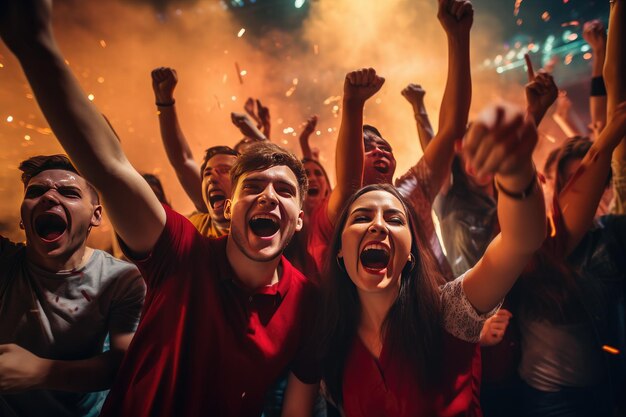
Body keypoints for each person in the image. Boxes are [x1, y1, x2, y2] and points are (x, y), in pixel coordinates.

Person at [0, 2, 322, 415]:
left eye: (285, 191)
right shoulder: (181, 252)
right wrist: (36, 45)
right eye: (253, 186)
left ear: (298, 219)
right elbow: (110, 168)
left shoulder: (308, 302)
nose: (269, 197)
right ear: (229, 205)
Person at [317, 102, 546, 416]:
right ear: (340, 248)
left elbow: (520, 243)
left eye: (395, 220)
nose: (378, 225)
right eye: (362, 217)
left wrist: (517, 173)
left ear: (411, 251)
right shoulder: (332, 341)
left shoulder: (449, 313)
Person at [308, 0, 474, 283]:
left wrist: (458, 37)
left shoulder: (412, 189)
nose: (379, 149)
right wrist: (353, 105)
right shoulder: (340, 208)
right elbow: (350, 186)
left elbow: (451, 130)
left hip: (440, 319)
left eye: (385, 147)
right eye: (368, 147)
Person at [0, 154, 145, 417]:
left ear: (96, 215)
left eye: (69, 192)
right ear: (22, 217)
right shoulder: (5, 262)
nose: (49, 197)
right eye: (36, 191)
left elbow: (124, 363)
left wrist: (40, 372)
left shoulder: (120, 278)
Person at [151, 67, 240, 238]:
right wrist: (164, 101)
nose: (212, 178)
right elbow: (182, 160)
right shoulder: (199, 225)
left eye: (224, 170)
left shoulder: (261, 227)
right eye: (207, 173)